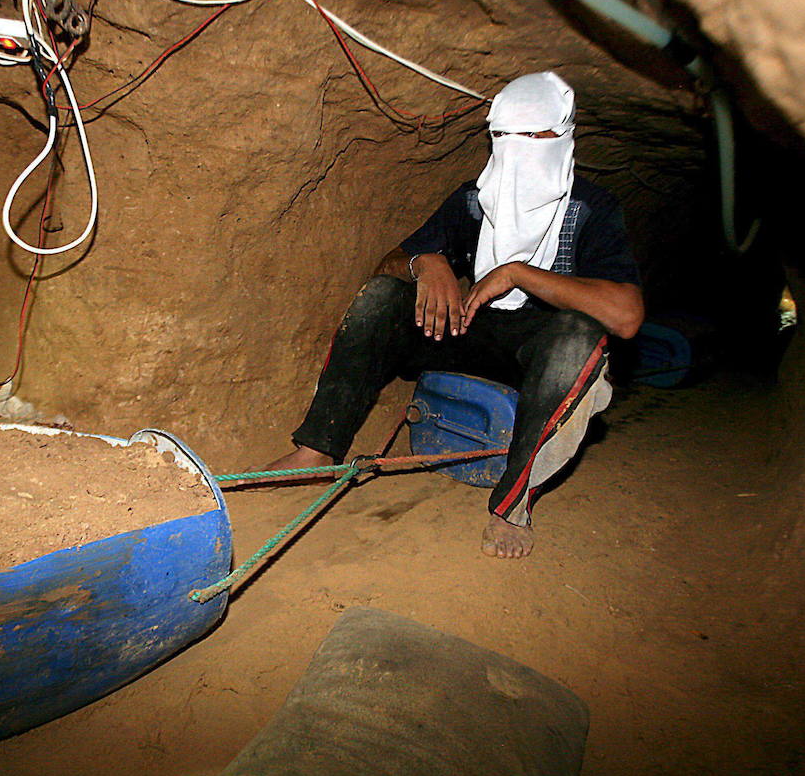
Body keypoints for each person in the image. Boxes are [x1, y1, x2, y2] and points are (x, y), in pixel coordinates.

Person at [267, 72, 644, 558]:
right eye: (504, 138)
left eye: (533, 138)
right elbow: (387, 266)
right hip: (468, 328)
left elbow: (627, 316)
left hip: (539, 352)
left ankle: (512, 506)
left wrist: (518, 273)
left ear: (564, 136)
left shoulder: (592, 209)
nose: (517, 150)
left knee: (579, 338)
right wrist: (425, 263)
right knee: (383, 296)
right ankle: (314, 452)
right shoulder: (473, 200)